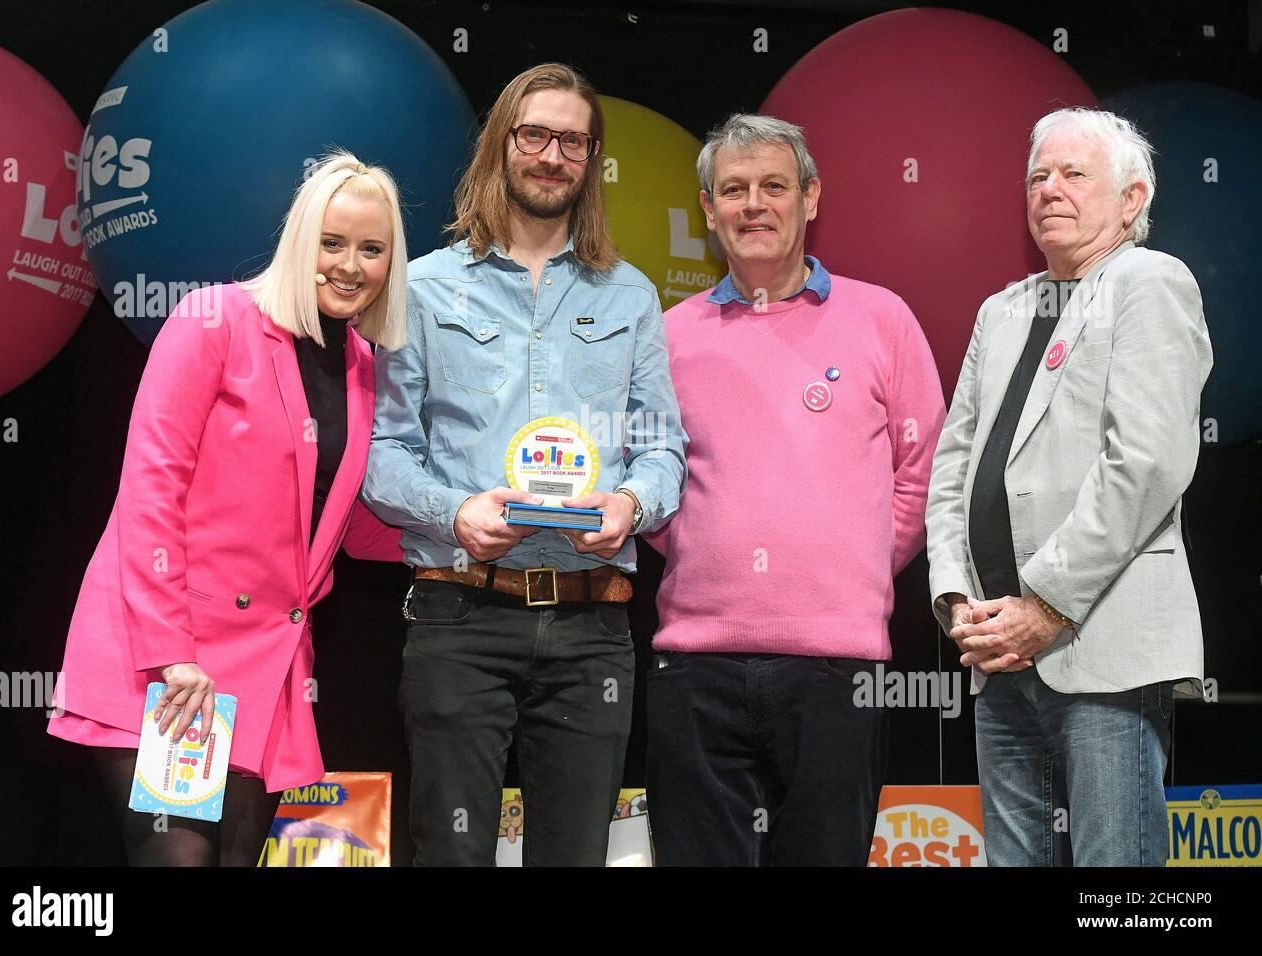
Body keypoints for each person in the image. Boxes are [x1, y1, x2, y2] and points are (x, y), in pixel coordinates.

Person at [361, 63, 687, 866]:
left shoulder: (632, 296)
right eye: (534, 134)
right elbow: (383, 450)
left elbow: (661, 447)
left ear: (591, 158)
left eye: (572, 140)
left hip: (592, 626)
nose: (552, 155)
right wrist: (454, 514)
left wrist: (633, 507)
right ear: (501, 144)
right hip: (459, 617)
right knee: (452, 854)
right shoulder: (424, 288)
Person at [48, 151, 407, 866]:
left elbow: (341, 520)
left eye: (372, 249)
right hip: (169, 662)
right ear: (299, 239)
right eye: (332, 243)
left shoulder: (365, 365)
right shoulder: (216, 318)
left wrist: (472, 534)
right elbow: (151, 489)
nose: (350, 265)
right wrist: (172, 655)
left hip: (263, 674)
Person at [643, 114, 946, 865]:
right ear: (708, 211)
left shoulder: (883, 319)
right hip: (693, 662)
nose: (755, 205)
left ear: (810, 197)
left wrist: (861, 565)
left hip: (840, 664)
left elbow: (929, 468)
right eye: (734, 190)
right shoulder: (667, 334)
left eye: (774, 186)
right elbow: (644, 476)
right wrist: (699, 551)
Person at [925, 107, 1213, 866]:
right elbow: (953, 467)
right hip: (998, 651)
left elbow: (1145, 464)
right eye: (1038, 176)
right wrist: (959, 599)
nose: (1050, 189)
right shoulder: (1003, 309)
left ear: (1131, 199)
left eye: (1074, 174)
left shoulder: (1151, 282)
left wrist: (1045, 606)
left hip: (1103, 646)